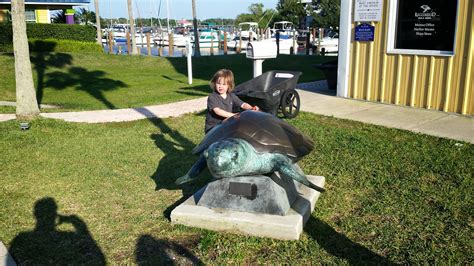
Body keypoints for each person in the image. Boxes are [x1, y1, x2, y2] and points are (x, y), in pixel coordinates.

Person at [204, 69, 259, 133]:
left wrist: (251, 108)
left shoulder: (231, 96)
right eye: (218, 83)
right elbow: (218, 111)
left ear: (229, 85)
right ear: (214, 83)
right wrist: (233, 115)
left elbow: (242, 104)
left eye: (224, 84)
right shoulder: (212, 97)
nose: (220, 86)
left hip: (225, 125)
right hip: (213, 128)